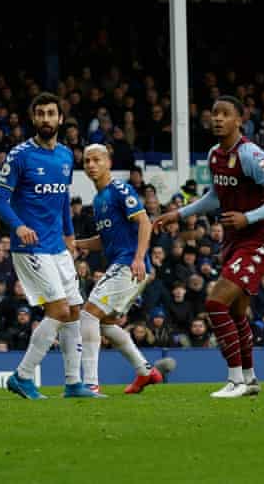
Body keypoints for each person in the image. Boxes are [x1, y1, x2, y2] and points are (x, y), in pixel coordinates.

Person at [152, 96, 264, 398]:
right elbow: (215, 198)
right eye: (214, 113)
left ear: (239, 120)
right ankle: (250, 378)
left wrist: (249, 217)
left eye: (225, 114)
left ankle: (235, 381)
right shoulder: (215, 155)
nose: (217, 118)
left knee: (216, 303)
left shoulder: (251, 154)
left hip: (259, 239)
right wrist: (179, 213)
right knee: (237, 312)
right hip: (235, 240)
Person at [0, 93, 98, 400]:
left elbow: (62, 199)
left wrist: (68, 234)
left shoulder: (65, 156)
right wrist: (19, 226)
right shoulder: (20, 155)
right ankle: (23, 377)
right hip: (31, 247)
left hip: (57, 246)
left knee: (75, 310)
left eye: (51, 113)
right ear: (33, 118)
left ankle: (73, 383)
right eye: (40, 114)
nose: (46, 119)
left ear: (60, 119)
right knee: (59, 309)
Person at [74, 144, 168, 395]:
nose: (91, 165)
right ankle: (146, 372)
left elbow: (145, 222)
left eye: (96, 160)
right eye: (87, 161)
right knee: (104, 323)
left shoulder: (119, 189)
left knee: (89, 315)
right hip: (121, 264)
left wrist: (139, 258)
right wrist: (76, 244)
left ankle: (91, 383)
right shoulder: (98, 199)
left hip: (129, 265)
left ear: (108, 163)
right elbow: (103, 241)